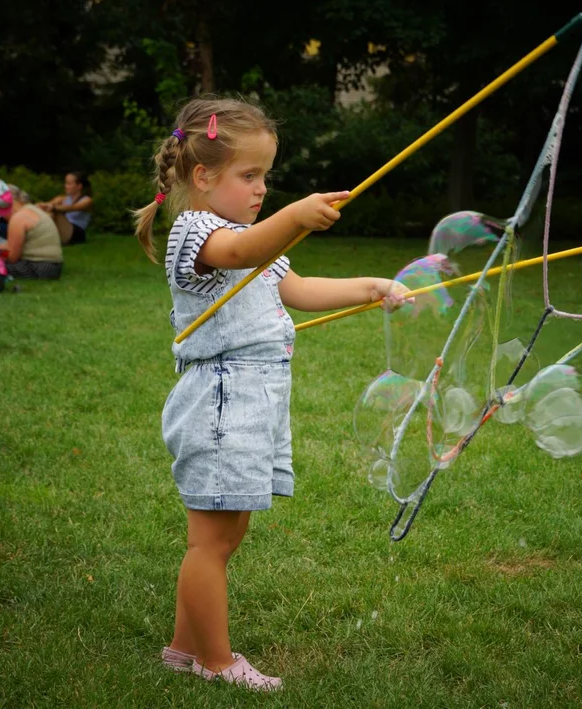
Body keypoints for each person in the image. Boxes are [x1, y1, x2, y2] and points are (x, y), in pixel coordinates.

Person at [133, 96, 409, 691]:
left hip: (251, 403)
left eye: (267, 177)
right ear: (203, 176)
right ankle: (216, 661)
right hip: (219, 404)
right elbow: (245, 252)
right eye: (250, 175)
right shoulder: (198, 232)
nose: (261, 189)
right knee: (209, 541)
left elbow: (301, 287)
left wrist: (373, 286)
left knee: (225, 535)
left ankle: (184, 649)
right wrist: (295, 216)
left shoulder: (248, 234)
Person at [1, 186, 64, 279]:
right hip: (54, 266)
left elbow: (12, 257)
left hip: (38, 266)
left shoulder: (18, 218)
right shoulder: (32, 209)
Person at [38, 171, 93, 245]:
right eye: (66, 183)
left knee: (53, 211)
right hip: (64, 229)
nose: (65, 186)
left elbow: (73, 208)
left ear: (79, 186)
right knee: (47, 211)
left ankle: (42, 238)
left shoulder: (87, 200)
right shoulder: (62, 198)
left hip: (77, 233)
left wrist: (54, 207)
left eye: (69, 184)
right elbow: (47, 205)